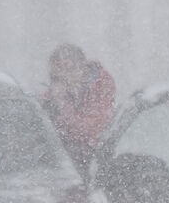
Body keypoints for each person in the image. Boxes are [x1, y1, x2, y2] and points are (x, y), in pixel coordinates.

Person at [42, 43, 116, 173]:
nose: (63, 78)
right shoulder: (53, 96)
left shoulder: (101, 87)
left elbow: (91, 133)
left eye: (68, 69)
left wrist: (62, 104)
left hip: (96, 165)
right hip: (64, 168)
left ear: (82, 68)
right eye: (56, 76)